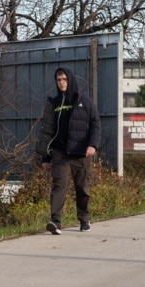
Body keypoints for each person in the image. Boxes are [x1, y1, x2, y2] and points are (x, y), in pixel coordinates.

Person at [35, 67, 101, 235]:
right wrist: (45, 157)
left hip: (80, 153)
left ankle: (84, 219)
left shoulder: (83, 100)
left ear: (70, 80)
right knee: (59, 186)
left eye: (64, 79)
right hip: (59, 153)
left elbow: (95, 124)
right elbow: (47, 131)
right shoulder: (54, 103)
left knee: (82, 188)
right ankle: (56, 222)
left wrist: (92, 145)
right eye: (58, 80)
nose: (61, 82)